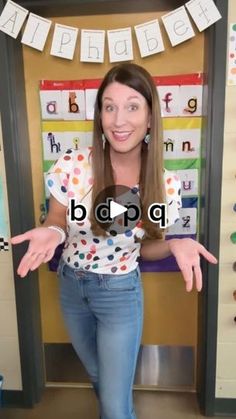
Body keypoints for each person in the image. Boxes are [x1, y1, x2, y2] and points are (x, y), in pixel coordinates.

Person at [11, 63, 217, 419]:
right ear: (100, 115)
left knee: (114, 405)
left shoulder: (164, 185)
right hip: (72, 286)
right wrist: (52, 230)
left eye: (133, 106)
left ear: (151, 117)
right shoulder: (74, 165)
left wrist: (173, 243)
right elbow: (58, 218)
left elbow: (147, 248)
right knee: (101, 380)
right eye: (109, 106)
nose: (119, 120)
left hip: (120, 292)